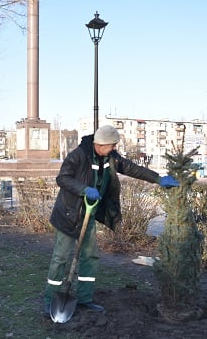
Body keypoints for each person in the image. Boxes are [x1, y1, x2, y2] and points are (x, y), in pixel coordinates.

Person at [43, 125, 179, 315]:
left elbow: (132, 168)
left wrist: (158, 179)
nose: (115, 148)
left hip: (88, 215)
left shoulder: (110, 157)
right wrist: (84, 189)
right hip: (68, 214)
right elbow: (62, 178)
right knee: (61, 257)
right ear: (101, 144)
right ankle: (50, 300)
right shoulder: (78, 155)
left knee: (90, 257)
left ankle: (84, 298)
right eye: (112, 144)